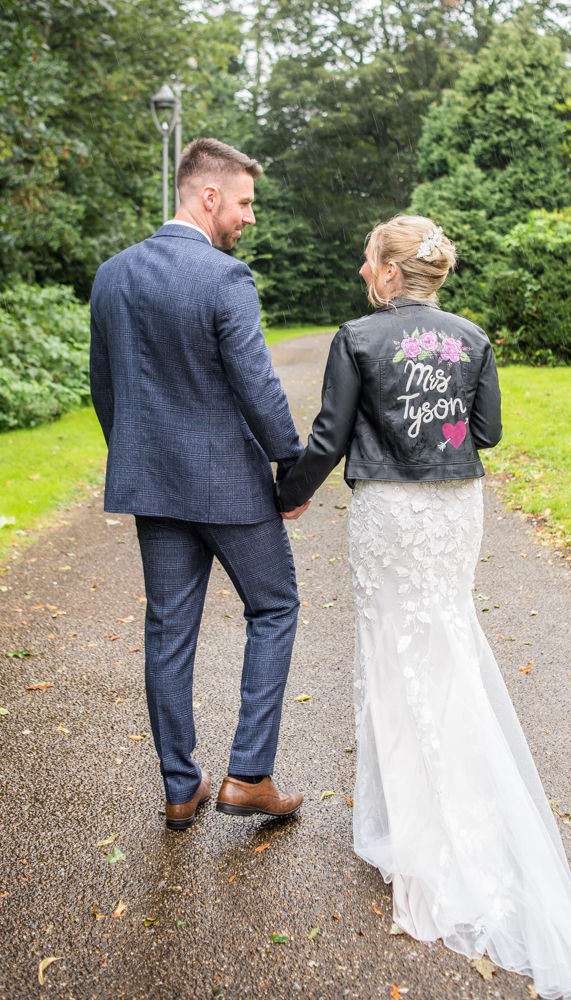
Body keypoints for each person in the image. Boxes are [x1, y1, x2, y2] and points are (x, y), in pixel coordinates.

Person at [276, 215, 571, 999]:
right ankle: (439, 804)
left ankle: (412, 824)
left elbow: (328, 435)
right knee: (444, 640)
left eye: (369, 259)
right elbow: (486, 431)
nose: (364, 269)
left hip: (392, 511)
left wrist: (288, 495)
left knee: (393, 652)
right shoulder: (472, 336)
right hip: (456, 507)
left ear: (393, 273)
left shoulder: (358, 336)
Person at [90, 138, 309, 832]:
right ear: (207, 195)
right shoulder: (224, 278)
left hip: (152, 485)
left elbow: (104, 388)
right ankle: (248, 773)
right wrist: (292, 469)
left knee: (168, 632)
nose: (249, 217)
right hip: (231, 489)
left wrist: (139, 456)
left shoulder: (112, 276)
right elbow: (258, 386)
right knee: (274, 607)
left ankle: (180, 788)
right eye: (244, 202)